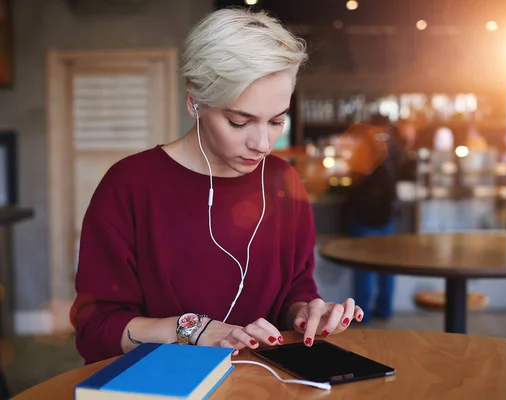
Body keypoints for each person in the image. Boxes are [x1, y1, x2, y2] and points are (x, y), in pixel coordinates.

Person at [70, 8, 362, 365]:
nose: (263, 144)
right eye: (239, 121)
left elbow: (295, 290)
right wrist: (192, 329)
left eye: (276, 121)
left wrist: (306, 313)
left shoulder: (284, 181)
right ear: (195, 101)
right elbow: (95, 330)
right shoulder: (129, 186)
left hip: (263, 385)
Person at [342, 116, 405, 323]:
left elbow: (354, 183)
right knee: (386, 268)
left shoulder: (364, 150)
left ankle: (363, 316)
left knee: (364, 269)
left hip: (364, 217)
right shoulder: (395, 148)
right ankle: (384, 310)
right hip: (386, 215)